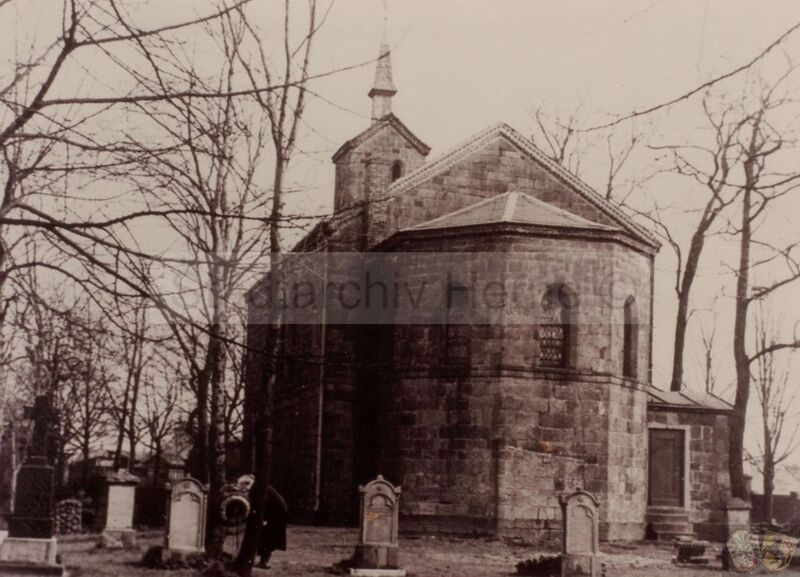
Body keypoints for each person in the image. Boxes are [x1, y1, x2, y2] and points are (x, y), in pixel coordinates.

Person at [255, 484, 288, 569]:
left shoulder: (261, 488)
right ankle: (263, 561)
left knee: (268, 539)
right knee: (265, 538)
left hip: (275, 515)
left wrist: (265, 518)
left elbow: (266, 503)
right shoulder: (263, 487)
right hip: (275, 513)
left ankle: (264, 562)